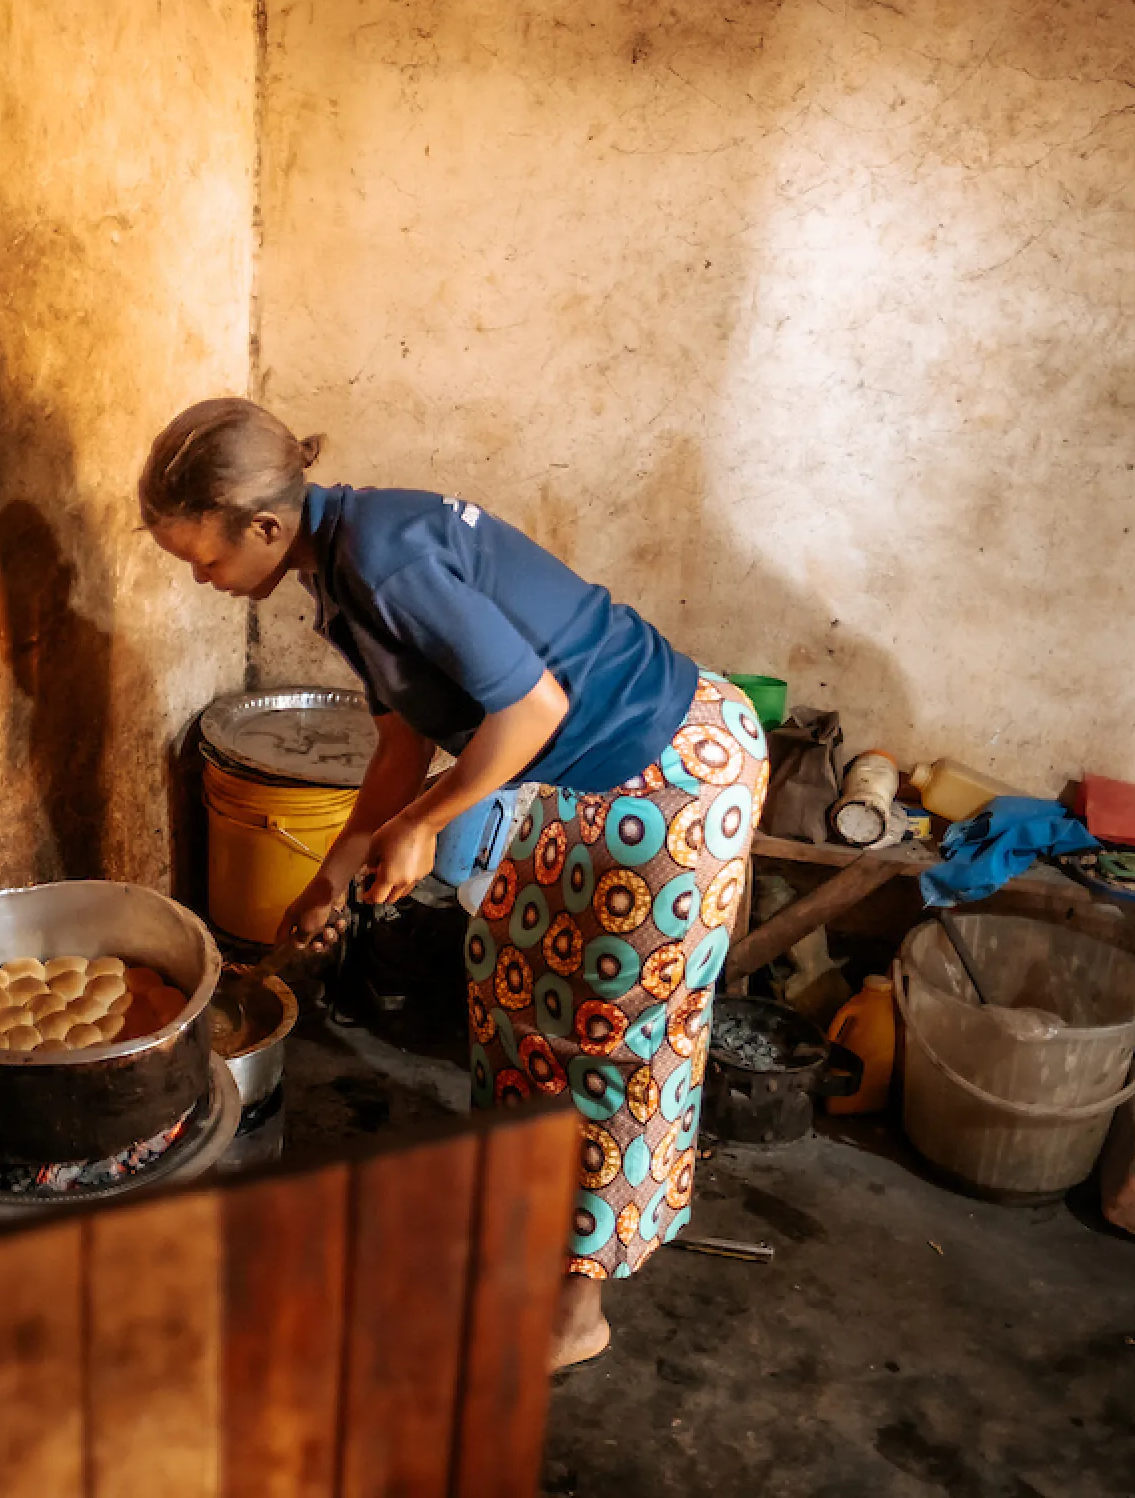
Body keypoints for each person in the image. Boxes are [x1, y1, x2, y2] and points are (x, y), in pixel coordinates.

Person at [140, 397, 765, 1371]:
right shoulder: (341, 559)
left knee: (611, 1040)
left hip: (668, 771)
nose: (203, 577)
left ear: (264, 526)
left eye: (205, 558)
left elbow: (531, 708)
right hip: (574, 779)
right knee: (515, 994)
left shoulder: (386, 557)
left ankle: (576, 1309)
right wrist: (335, 872)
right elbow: (404, 731)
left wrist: (421, 827)